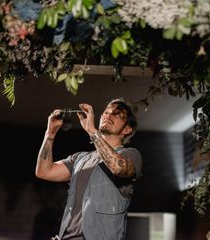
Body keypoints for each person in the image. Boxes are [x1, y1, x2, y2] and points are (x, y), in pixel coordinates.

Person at [35, 98, 142, 240]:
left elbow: (117, 167)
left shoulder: (131, 155)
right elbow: (44, 171)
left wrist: (92, 131)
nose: (109, 115)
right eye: (106, 112)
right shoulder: (80, 158)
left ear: (127, 129)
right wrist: (50, 133)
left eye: (116, 114)